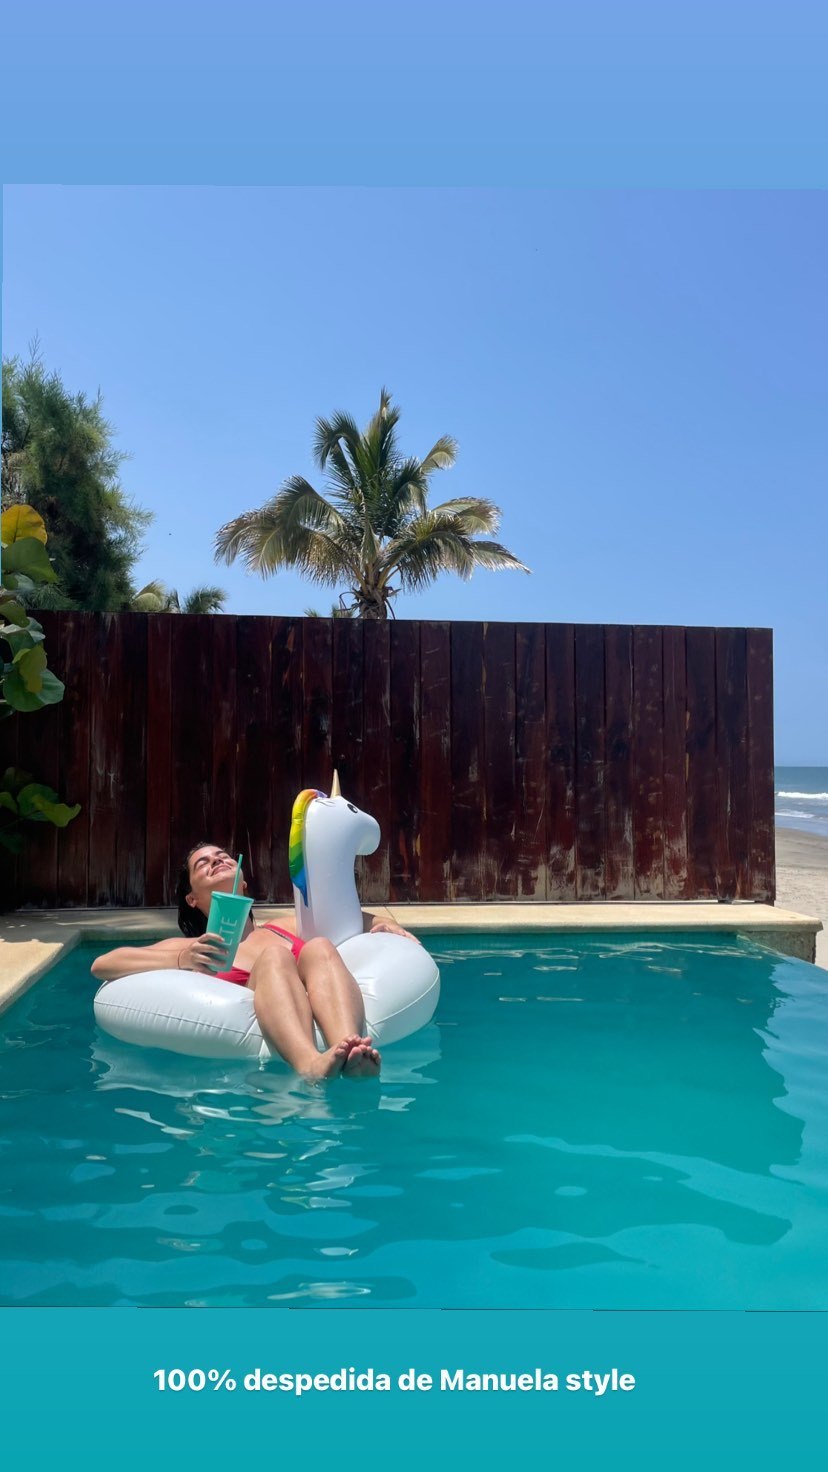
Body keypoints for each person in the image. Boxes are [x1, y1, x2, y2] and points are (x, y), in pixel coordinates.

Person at [91, 843, 418, 1080]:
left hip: (319, 1000)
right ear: (191, 899)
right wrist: (182, 958)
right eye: (202, 863)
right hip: (272, 1021)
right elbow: (103, 964)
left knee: (318, 946)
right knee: (275, 956)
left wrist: (384, 924)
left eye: (222, 856)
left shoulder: (285, 926)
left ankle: (351, 1051)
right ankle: (309, 1065)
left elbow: (350, 918)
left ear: (243, 884)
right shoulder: (194, 946)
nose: (216, 860)